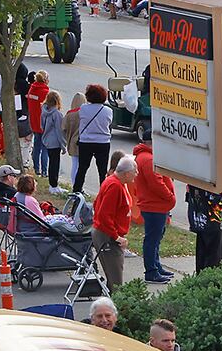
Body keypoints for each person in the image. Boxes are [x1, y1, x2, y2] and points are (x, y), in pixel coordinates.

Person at [133, 142, 177, 284]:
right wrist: (169, 196)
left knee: (155, 238)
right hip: (155, 205)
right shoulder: (149, 159)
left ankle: (156, 266)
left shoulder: (143, 157)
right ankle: (151, 271)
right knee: (153, 239)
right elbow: (156, 183)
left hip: (153, 205)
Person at [91, 156, 136, 290]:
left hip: (107, 233)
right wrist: (117, 237)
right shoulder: (114, 186)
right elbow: (104, 215)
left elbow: (96, 204)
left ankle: (110, 305)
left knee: (113, 277)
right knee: (116, 282)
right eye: (135, 171)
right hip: (108, 236)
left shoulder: (115, 182)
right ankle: (114, 307)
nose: (137, 174)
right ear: (127, 173)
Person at [74, 84, 114, 193]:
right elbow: (109, 124)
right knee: (102, 171)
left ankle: (76, 191)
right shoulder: (108, 110)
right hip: (103, 142)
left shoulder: (83, 108)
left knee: (82, 169)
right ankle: (104, 192)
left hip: (86, 142)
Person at [27, 70, 51, 174]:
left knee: (36, 146)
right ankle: (44, 171)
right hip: (44, 123)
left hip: (34, 122)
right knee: (45, 148)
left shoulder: (31, 90)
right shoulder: (45, 92)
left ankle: (36, 169)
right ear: (45, 80)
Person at [62, 91, 85, 190]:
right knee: (81, 166)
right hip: (82, 142)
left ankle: (74, 184)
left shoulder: (69, 115)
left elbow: (63, 128)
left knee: (75, 165)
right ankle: (79, 186)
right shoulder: (83, 114)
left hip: (72, 142)